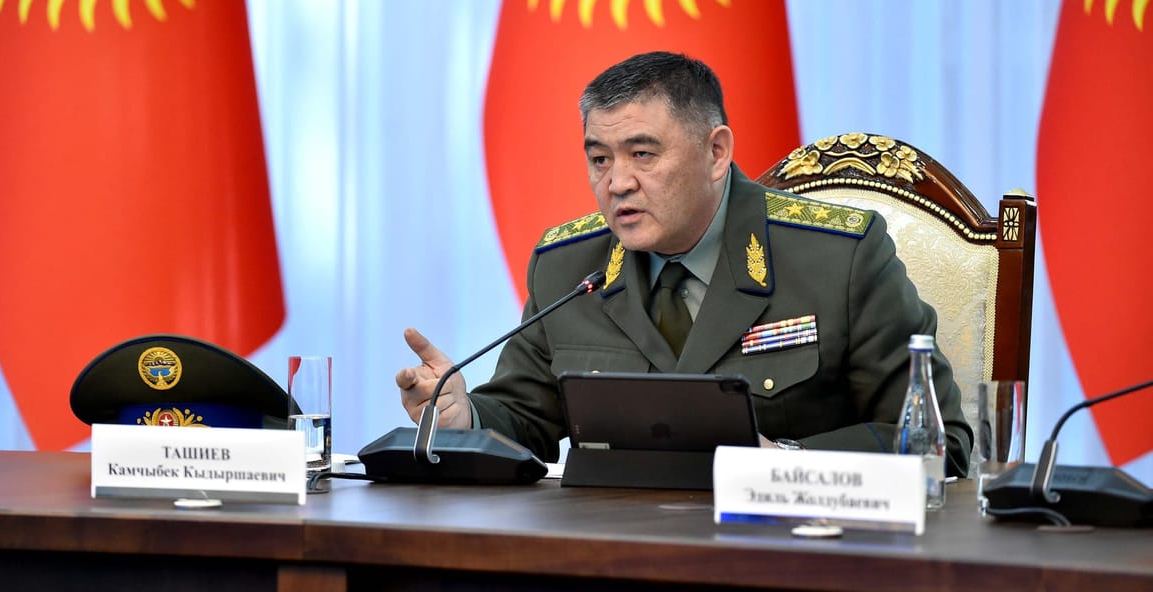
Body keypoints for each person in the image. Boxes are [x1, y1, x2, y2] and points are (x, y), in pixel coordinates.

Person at [396, 51, 971, 477]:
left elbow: (939, 444)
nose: (617, 183)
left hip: (788, 556)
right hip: (605, 558)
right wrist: (466, 418)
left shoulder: (838, 257)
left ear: (716, 152)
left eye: (642, 154)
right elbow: (527, 418)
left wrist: (786, 460)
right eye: (599, 159)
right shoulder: (566, 265)